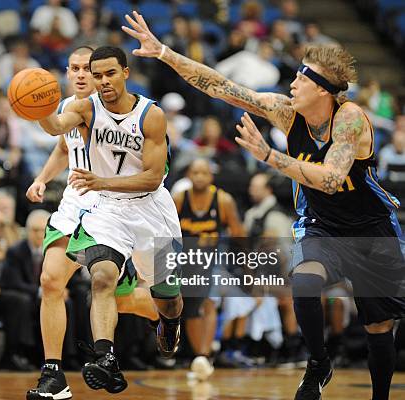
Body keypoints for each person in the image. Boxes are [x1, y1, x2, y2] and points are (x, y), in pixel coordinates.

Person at [123, 11, 405, 400]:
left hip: (370, 229)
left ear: (322, 89)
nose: (292, 82)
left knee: (378, 325)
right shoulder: (286, 114)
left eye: (301, 77)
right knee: (304, 283)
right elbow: (221, 86)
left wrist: (271, 156)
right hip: (322, 223)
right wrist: (166, 53)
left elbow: (331, 178)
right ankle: (319, 363)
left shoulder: (350, 120)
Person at [35, 46, 183, 394]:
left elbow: (150, 177)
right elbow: (57, 127)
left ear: (125, 72)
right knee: (101, 278)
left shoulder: (151, 115)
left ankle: (169, 322)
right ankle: (105, 357)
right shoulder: (85, 107)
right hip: (107, 209)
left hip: (151, 208)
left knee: (168, 297)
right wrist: (37, 106)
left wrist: (99, 180)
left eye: (108, 74)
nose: (102, 81)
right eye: (96, 75)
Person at [173, 158, 246, 378]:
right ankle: (200, 357)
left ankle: (204, 354)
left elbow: (239, 234)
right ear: (189, 175)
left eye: (204, 173)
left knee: (209, 300)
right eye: (195, 172)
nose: (199, 177)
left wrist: (246, 266)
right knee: (191, 309)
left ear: (211, 177)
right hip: (186, 260)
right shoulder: (179, 199)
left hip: (213, 259)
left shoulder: (223, 200)